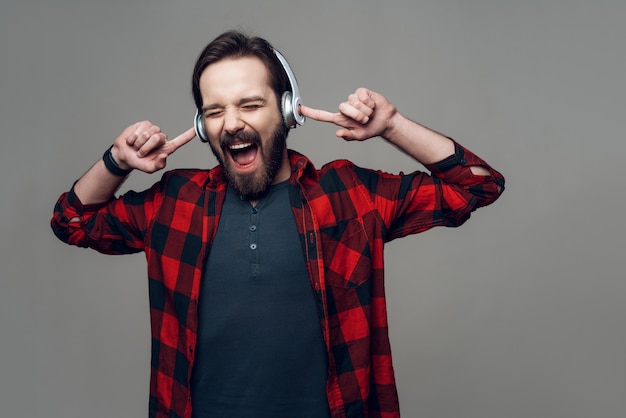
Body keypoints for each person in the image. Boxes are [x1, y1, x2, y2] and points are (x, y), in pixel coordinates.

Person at [51, 30, 504, 418]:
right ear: (202, 124)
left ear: (288, 112)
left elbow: (477, 187)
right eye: (214, 112)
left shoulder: (348, 194)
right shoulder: (173, 203)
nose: (231, 124)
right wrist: (117, 161)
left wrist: (393, 126)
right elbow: (70, 220)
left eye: (250, 104)